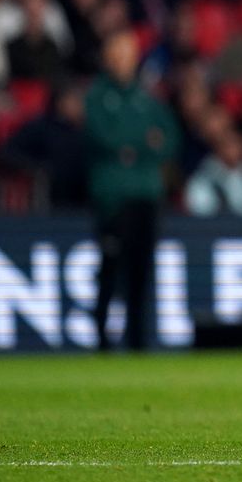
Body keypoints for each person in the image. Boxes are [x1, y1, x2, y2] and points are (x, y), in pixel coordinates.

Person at [85, 30, 179, 351]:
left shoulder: (146, 97)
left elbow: (168, 139)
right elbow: (104, 137)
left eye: (128, 54)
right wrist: (142, 143)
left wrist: (133, 147)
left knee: (140, 272)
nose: (123, 61)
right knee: (110, 269)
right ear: (107, 58)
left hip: (147, 194)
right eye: (117, 53)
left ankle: (138, 340)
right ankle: (101, 338)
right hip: (113, 195)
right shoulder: (98, 96)